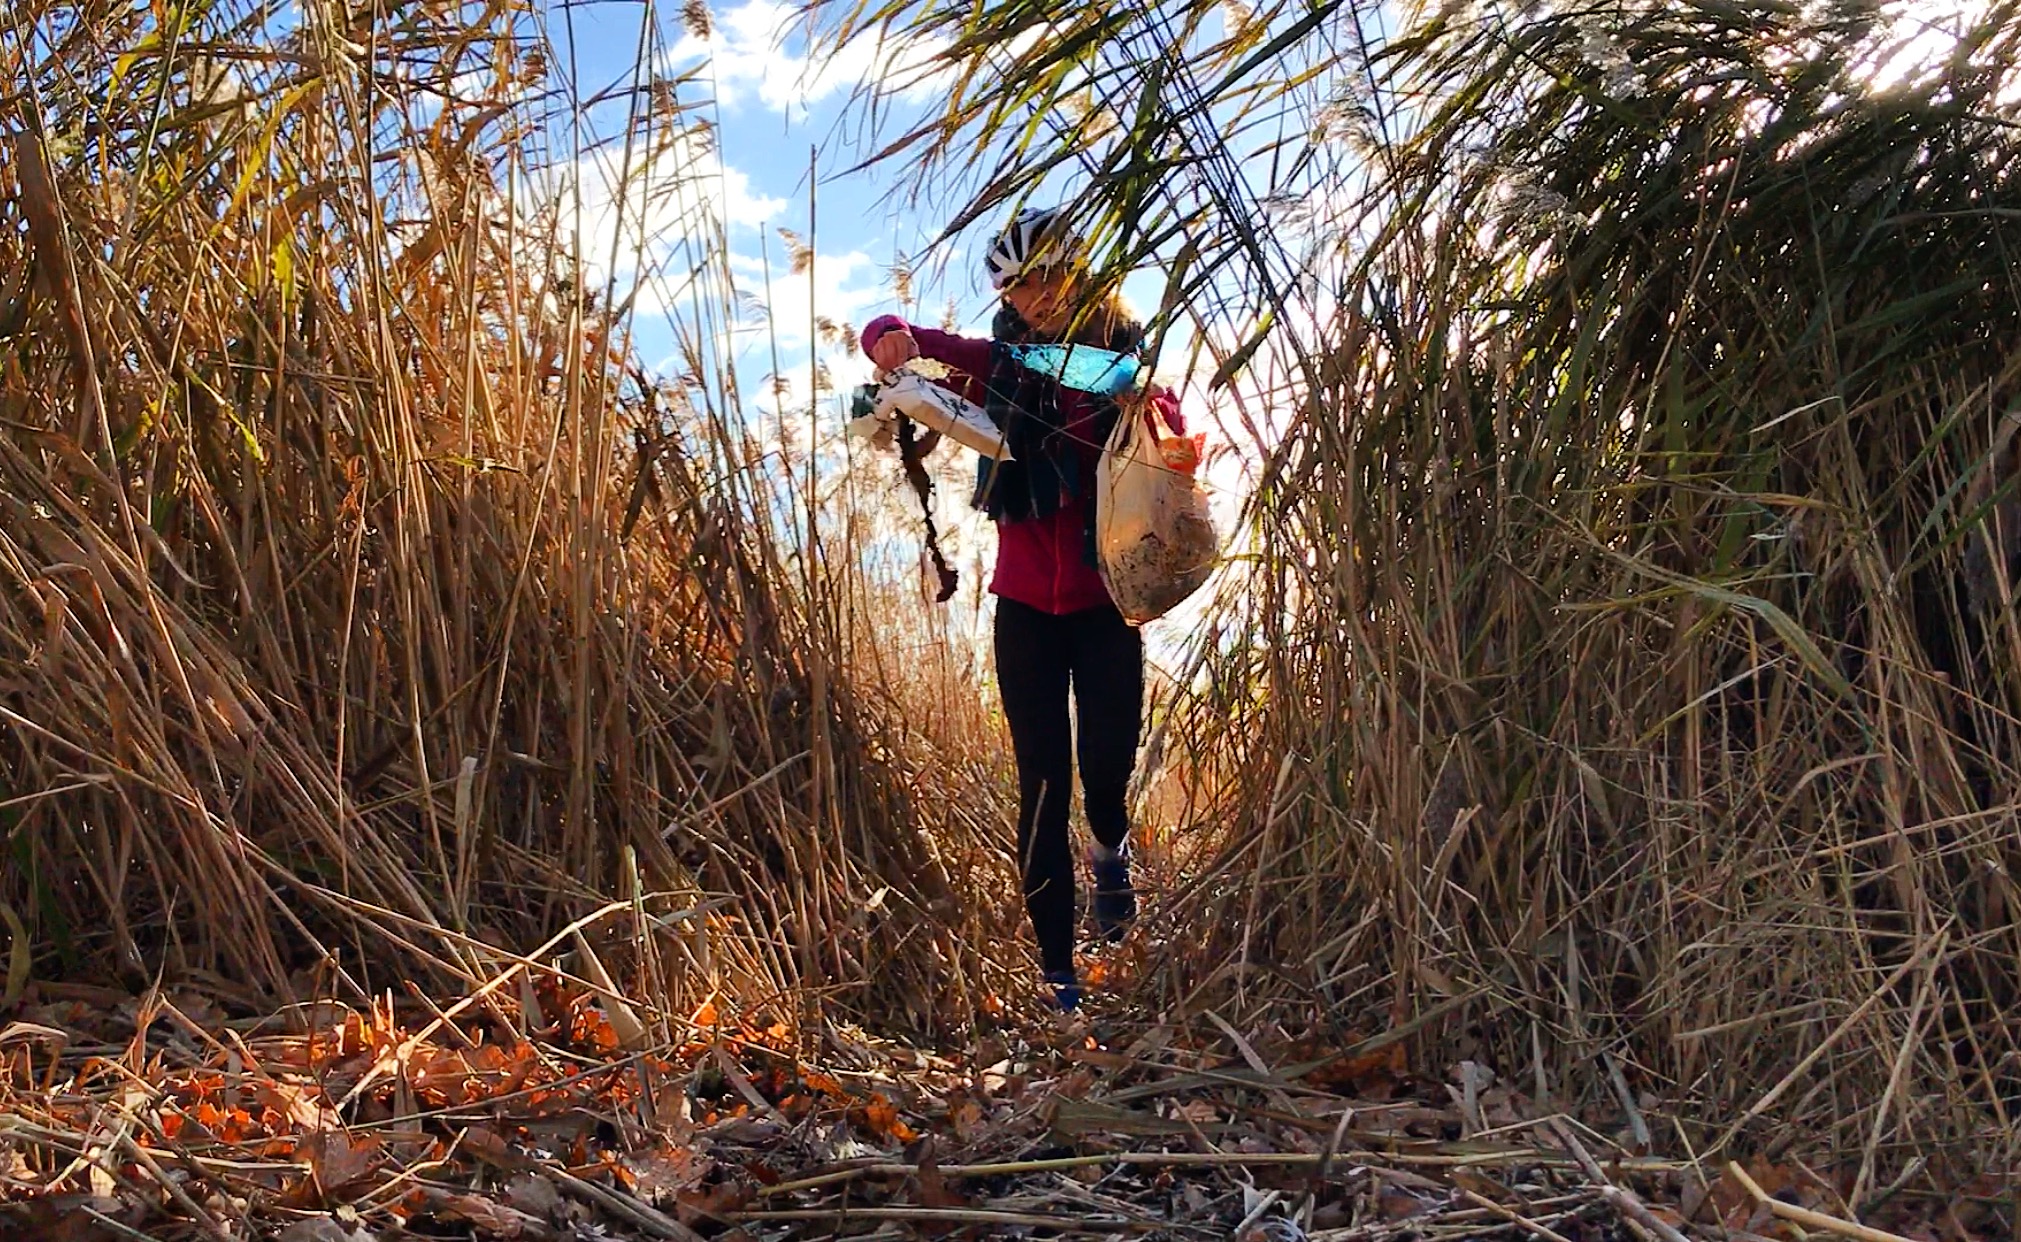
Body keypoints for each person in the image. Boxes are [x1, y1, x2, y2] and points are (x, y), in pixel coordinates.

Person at [860, 206, 1186, 1012]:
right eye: (1012, 284)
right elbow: (906, 335)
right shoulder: (1000, 362)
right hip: (1023, 608)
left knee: (1106, 768)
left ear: (1076, 270)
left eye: (1041, 277)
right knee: (1042, 780)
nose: (1029, 295)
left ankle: (1110, 855)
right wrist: (887, 340)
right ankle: (1059, 978)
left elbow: (1175, 448)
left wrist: (1163, 435)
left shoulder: (1126, 369)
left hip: (1107, 601)